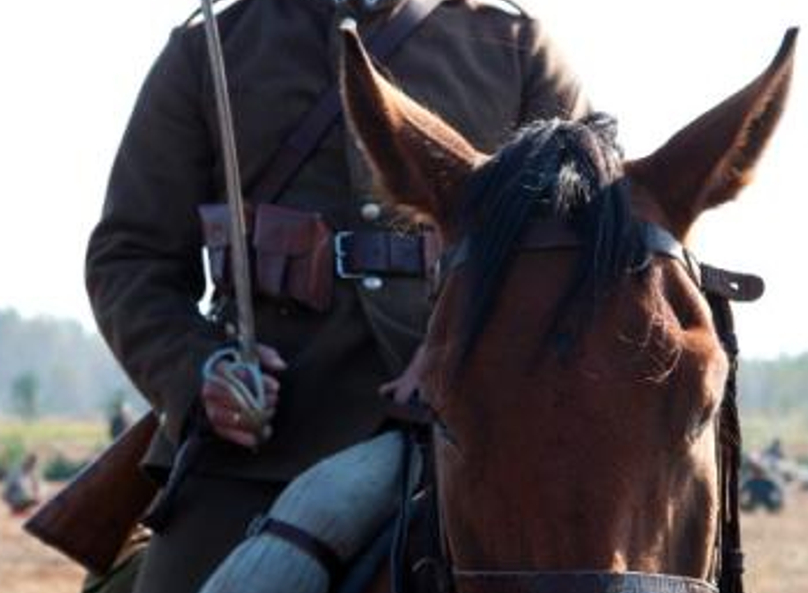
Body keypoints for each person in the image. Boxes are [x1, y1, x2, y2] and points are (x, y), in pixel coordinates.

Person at [84, 0, 589, 591]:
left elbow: (578, 256)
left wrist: (456, 353)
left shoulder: (518, 47)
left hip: (472, 442)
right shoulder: (210, 49)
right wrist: (202, 373)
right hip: (261, 449)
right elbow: (131, 257)